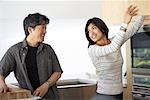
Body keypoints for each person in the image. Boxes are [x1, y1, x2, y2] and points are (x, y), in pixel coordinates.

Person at [85, 5, 149, 100]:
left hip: (118, 94)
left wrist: (144, 13)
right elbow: (113, 47)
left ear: (102, 28)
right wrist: (125, 22)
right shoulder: (93, 49)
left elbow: (134, 29)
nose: (91, 33)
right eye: (88, 31)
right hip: (104, 95)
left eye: (93, 28)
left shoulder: (114, 41)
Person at [0, 13, 63, 100]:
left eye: (46, 27)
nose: (45, 31)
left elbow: (57, 72)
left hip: (51, 97)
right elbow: (1, 72)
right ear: (30, 30)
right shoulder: (14, 51)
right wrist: (2, 83)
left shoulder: (48, 49)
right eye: (42, 27)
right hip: (29, 98)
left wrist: (46, 85)